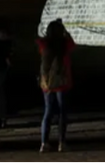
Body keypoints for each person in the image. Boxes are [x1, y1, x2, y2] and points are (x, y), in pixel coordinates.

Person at [37, 19, 76, 152]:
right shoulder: (65, 44)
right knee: (62, 112)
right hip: (63, 82)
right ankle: (61, 142)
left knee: (48, 112)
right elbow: (72, 43)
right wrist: (64, 30)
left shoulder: (43, 44)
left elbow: (39, 39)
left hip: (47, 82)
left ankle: (44, 142)